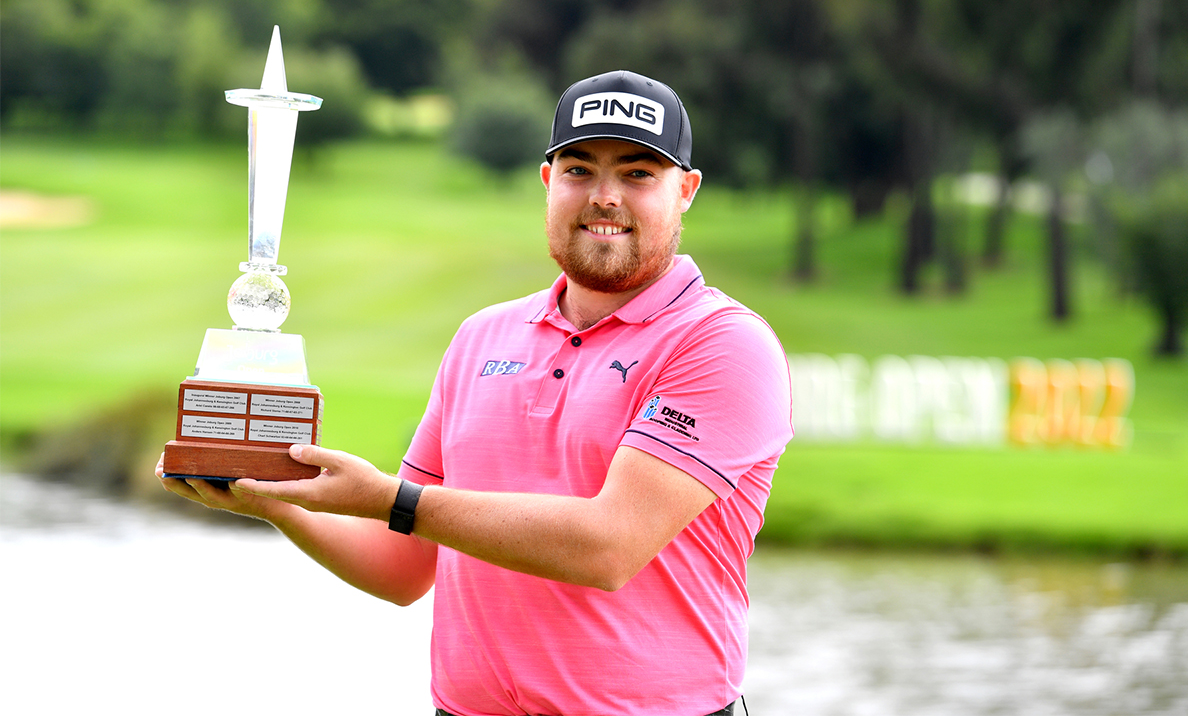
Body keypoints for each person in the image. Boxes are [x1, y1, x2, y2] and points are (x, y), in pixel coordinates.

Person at [158, 70, 793, 716]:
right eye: (579, 170)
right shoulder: (482, 337)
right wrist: (274, 503)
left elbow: (610, 544)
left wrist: (389, 498)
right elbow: (403, 567)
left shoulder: (722, 344)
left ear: (685, 191)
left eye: (637, 174)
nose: (605, 197)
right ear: (548, 183)